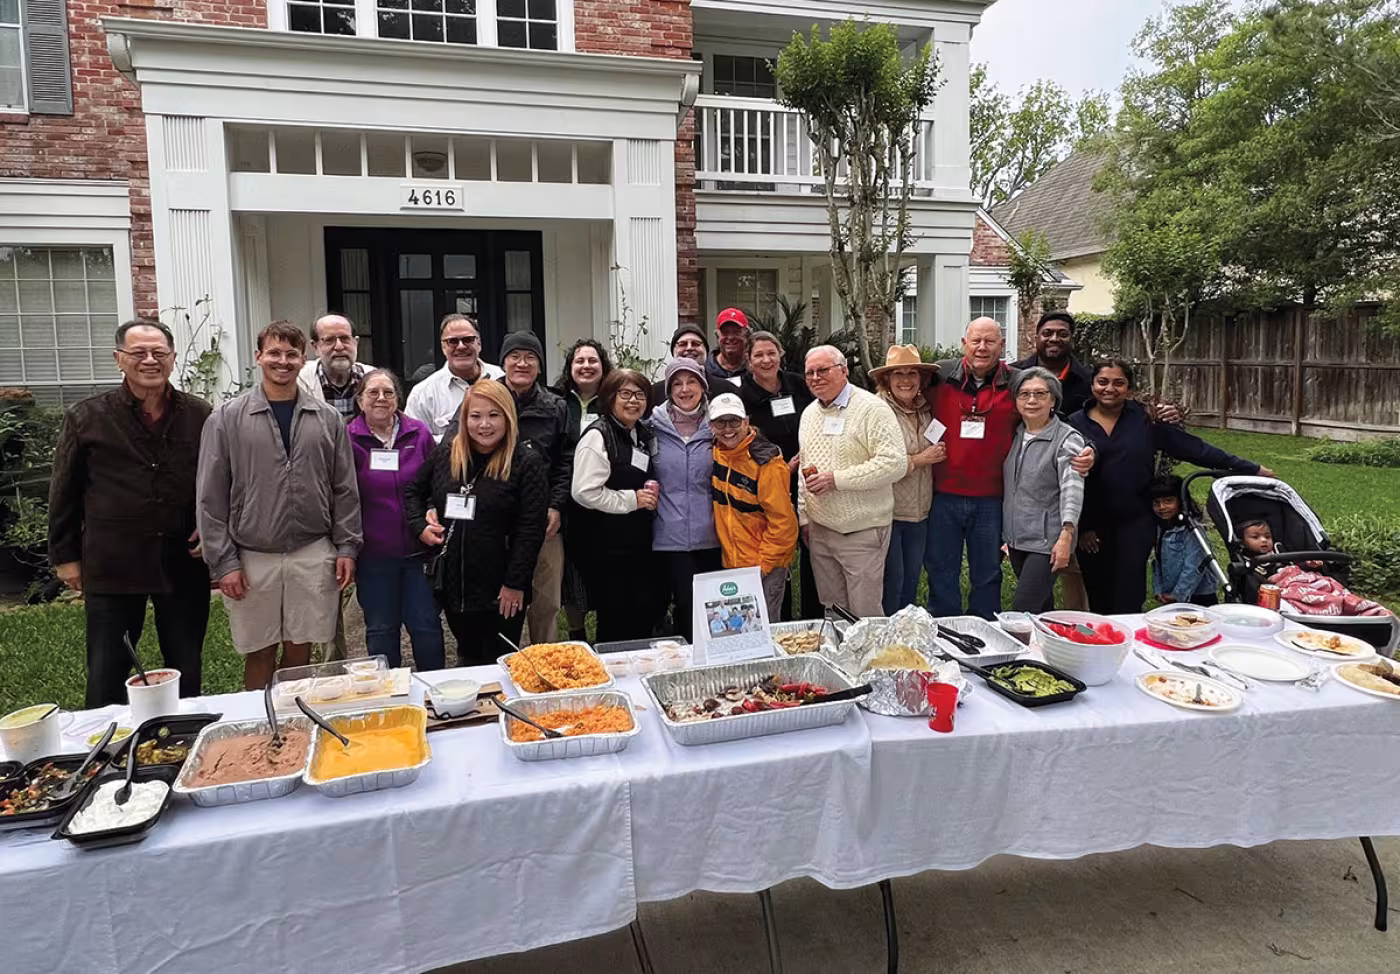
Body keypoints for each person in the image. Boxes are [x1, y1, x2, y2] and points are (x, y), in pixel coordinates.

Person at [48, 318, 212, 707]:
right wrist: (65, 557)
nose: (150, 360)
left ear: (173, 358)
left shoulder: (200, 414)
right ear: (118, 358)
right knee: (108, 665)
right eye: (139, 352)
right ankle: (106, 737)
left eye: (159, 353)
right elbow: (64, 490)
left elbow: (219, 481)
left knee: (186, 660)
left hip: (182, 560)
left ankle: (185, 731)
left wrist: (212, 530)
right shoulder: (87, 417)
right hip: (114, 560)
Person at [197, 320, 362, 690]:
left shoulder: (327, 419)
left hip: (311, 551)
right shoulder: (226, 419)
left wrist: (347, 546)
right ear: (259, 356)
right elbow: (210, 496)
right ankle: (258, 717)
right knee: (260, 651)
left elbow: (344, 489)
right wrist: (224, 562)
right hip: (253, 555)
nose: (282, 361)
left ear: (303, 359)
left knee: (300, 648)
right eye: (274, 353)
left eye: (291, 354)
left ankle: (292, 717)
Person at [1069, 359, 1272, 615]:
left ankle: (1130, 636)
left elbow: (1195, 449)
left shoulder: (1145, 420)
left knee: (1129, 594)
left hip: (1136, 521)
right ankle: (1104, 637)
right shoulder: (1075, 423)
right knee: (1099, 594)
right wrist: (1083, 526)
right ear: (1092, 385)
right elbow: (1067, 478)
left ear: (1129, 388)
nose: (1110, 388)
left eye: (1118, 383)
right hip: (1092, 526)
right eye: (1103, 382)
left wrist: (1251, 468)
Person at [925, 318, 1095, 620]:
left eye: (990, 341)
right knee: (941, 568)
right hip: (944, 495)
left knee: (987, 571)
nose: (982, 347)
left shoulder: (1017, 382)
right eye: (975, 341)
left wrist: (1089, 447)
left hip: (992, 498)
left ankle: (986, 627)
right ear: (964, 344)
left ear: (1002, 346)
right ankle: (945, 625)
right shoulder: (939, 376)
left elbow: (1057, 420)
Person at [405, 379, 548, 664]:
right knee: (468, 657)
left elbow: (531, 530)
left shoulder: (526, 462)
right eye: (476, 416)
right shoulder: (448, 453)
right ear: (464, 419)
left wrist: (515, 583)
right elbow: (414, 491)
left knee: (500, 662)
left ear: (508, 417)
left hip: (501, 587)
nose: (484, 424)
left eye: (494, 415)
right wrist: (421, 525)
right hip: (455, 584)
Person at [797, 345, 907, 618]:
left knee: (865, 614)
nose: (815, 378)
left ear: (844, 370)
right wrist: (804, 517)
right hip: (820, 530)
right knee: (833, 610)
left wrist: (837, 480)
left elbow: (894, 464)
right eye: (810, 372)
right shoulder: (809, 413)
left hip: (861, 530)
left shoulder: (872, 409)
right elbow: (804, 468)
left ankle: (872, 650)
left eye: (823, 370)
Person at [347, 369, 445, 669]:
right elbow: (341, 493)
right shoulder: (348, 438)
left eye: (388, 392)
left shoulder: (419, 433)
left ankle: (434, 690)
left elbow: (436, 481)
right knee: (381, 632)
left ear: (398, 398)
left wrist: (433, 507)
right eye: (372, 392)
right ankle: (387, 692)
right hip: (374, 557)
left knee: (427, 628)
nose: (381, 398)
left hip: (419, 553)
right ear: (360, 400)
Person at [568, 369, 659, 643]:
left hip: (636, 544)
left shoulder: (639, 432)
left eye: (640, 395)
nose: (633, 401)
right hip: (606, 547)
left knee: (640, 615)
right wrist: (631, 500)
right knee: (616, 621)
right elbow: (584, 491)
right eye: (626, 394)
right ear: (610, 397)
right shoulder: (598, 436)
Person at [737, 329, 818, 620]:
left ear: (781, 354)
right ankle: (779, 620)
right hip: (767, 485)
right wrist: (778, 468)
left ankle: (812, 617)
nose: (766, 360)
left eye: (771, 353)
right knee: (776, 555)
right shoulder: (741, 396)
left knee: (812, 550)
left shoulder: (799, 385)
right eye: (758, 355)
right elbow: (742, 440)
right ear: (748, 360)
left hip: (807, 480)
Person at [498, 331, 571, 646]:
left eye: (530, 357)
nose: (522, 363)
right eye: (514, 356)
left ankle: (546, 660)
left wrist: (556, 505)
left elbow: (566, 461)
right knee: (501, 602)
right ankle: (501, 660)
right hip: (497, 519)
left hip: (544, 519)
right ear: (503, 362)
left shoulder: (555, 406)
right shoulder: (486, 397)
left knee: (546, 602)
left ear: (540, 366)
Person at [1001, 368, 1087, 613]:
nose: (1032, 400)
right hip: (1017, 539)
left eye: (1040, 394)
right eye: (1024, 394)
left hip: (1047, 541)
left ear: (1053, 400)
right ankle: (1048, 638)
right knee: (1041, 606)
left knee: (1023, 607)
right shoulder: (1015, 434)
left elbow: (1072, 489)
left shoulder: (1067, 439)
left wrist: (1066, 535)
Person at [648, 358, 722, 642]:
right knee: (685, 605)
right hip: (669, 536)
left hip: (714, 533)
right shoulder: (651, 426)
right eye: (677, 383)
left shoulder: (719, 424)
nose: (685, 389)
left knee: (714, 609)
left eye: (692, 381)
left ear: (703, 387)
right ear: (668, 390)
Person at [869, 345, 946, 615]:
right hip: (888, 512)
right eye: (897, 374)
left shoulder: (925, 408)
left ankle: (907, 631)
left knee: (911, 580)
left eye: (912, 373)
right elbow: (876, 464)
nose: (906, 380)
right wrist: (921, 459)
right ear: (886, 379)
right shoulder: (876, 410)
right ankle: (887, 633)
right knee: (893, 581)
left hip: (920, 512)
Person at [709, 393, 799, 622]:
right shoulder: (717, 452)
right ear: (711, 426)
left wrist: (764, 565)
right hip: (732, 561)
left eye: (734, 421)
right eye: (720, 422)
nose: (727, 429)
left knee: (765, 627)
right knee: (738, 628)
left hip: (763, 563)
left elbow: (784, 523)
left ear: (746, 422)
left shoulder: (766, 462)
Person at [553, 338, 612, 642]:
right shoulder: (558, 403)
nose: (586, 366)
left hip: (605, 499)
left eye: (592, 361)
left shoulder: (612, 401)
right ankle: (577, 634)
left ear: (603, 366)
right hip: (567, 503)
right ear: (570, 367)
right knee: (571, 572)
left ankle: (606, 630)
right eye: (580, 361)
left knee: (602, 567)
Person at [404, 313, 505, 440]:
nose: (461, 346)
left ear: (479, 343)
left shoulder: (502, 379)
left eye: (468, 339)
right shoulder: (422, 395)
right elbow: (414, 443)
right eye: (452, 341)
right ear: (443, 347)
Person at [1149, 475, 1218, 607]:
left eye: (1168, 501)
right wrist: (1158, 590)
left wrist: (1178, 594)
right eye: (1156, 503)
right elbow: (1157, 561)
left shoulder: (1192, 530)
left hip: (1199, 595)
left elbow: (1194, 566)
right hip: (1171, 592)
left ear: (1181, 501)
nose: (1162, 507)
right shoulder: (1161, 528)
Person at [1011, 312, 1094, 418]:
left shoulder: (1088, 380)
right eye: (1047, 333)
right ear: (1036, 339)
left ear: (1072, 340)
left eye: (1063, 335)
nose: (1054, 339)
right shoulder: (1013, 375)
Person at [297, 313, 369, 419]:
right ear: (315, 347)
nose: (339, 347)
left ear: (356, 342)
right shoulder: (298, 382)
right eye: (329, 340)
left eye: (345, 338)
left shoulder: (374, 379)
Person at [649, 324, 710, 413]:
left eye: (696, 344)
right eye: (682, 344)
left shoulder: (724, 389)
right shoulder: (654, 393)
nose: (689, 348)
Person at [707, 308, 750, 386]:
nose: (730, 337)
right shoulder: (706, 369)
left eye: (736, 332)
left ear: (746, 335)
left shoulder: (755, 369)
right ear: (717, 336)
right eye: (725, 332)